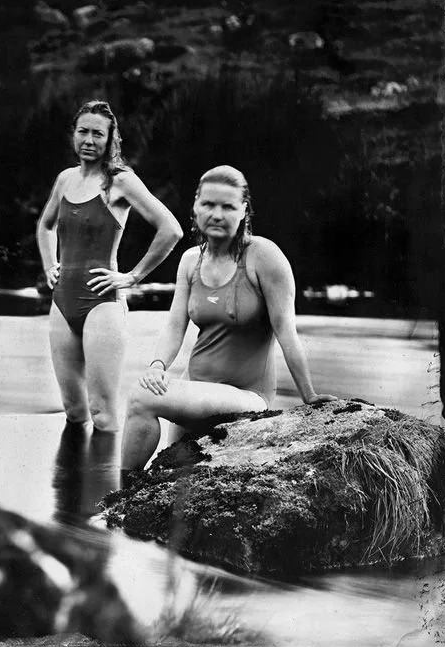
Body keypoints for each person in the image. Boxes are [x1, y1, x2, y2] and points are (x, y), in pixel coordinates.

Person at [121, 165, 337, 470]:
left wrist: (309, 395)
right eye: (208, 204)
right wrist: (157, 367)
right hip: (196, 389)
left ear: (243, 210)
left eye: (228, 206)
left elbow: (286, 330)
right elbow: (174, 326)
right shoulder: (190, 261)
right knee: (171, 470)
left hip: (246, 396)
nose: (217, 214)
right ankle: (122, 501)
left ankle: (120, 490)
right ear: (195, 207)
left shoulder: (264, 257)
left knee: (141, 396)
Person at [36, 100, 183, 432]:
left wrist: (132, 277)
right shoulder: (65, 179)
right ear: (73, 134)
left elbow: (170, 229)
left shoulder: (120, 181)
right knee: (73, 409)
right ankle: (74, 484)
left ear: (110, 138)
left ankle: (109, 485)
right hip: (62, 302)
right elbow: (45, 225)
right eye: (83, 131)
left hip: (102, 304)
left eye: (97, 134)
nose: (89, 140)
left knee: (102, 413)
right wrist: (49, 264)